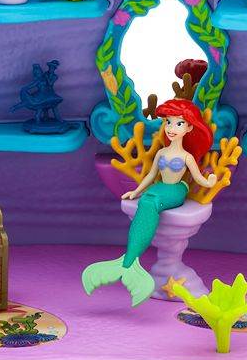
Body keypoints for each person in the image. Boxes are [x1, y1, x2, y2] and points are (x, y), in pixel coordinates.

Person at [82, 98, 216, 306]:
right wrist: (136, 191)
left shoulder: (187, 156)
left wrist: (210, 182)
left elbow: (198, 177)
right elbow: (151, 175)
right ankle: (129, 260)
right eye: (168, 122)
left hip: (177, 190)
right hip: (160, 187)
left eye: (179, 123)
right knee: (146, 200)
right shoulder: (161, 152)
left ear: (189, 128)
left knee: (152, 201)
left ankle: (130, 260)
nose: (171, 128)